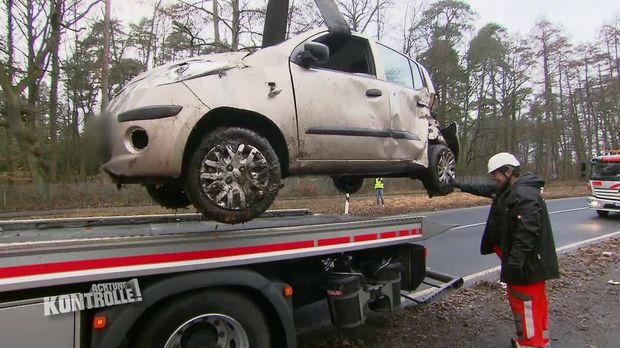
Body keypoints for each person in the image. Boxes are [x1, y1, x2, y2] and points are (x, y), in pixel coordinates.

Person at [448, 152, 559, 348]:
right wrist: (458, 184)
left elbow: (527, 232)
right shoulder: (511, 188)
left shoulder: (522, 194)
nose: (493, 178)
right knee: (536, 303)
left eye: (495, 174)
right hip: (529, 262)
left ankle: (531, 344)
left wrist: (515, 263)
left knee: (524, 303)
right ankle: (541, 340)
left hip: (525, 264)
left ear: (508, 172)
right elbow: (485, 188)